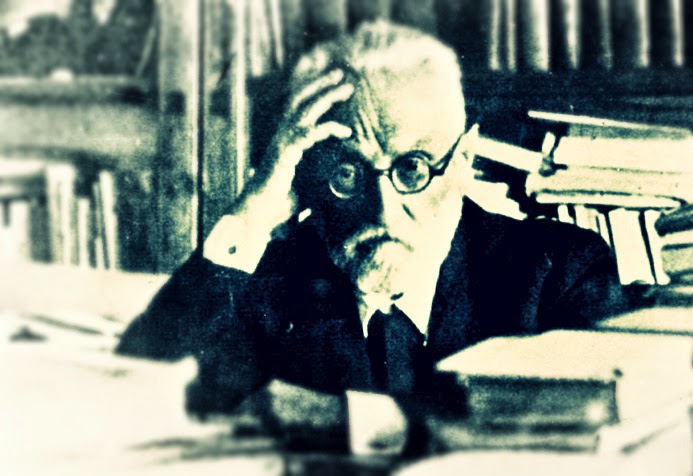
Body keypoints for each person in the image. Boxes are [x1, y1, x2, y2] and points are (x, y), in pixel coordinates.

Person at [116, 21, 626, 453]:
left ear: (465, 160)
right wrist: (254, 208)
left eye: (413, 168)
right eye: (347, 174)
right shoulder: (264, 284)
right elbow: (132, 404)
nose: (381, 210)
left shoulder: (558, 272)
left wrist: (352, 421)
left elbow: (594, 430)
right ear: (308, 175)